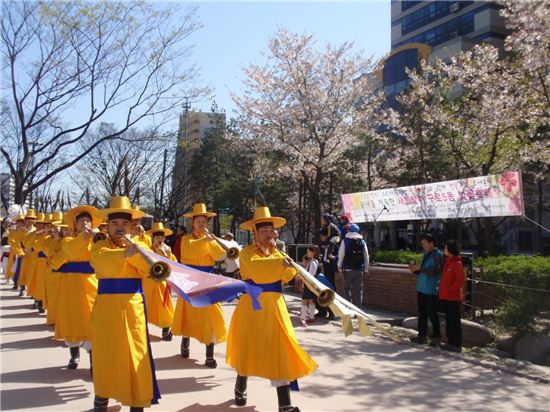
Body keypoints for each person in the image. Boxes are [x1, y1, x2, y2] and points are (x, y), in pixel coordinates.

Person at [226, 206, 318, 412]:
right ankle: (241, 384)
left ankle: (285, 406)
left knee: (280, 351)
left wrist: (292, 268)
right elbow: (259, 272)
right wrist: (280, 262)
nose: (271, 234)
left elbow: (285, 277)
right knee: (249, 349)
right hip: (254, 308)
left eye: (272, 230)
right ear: (255, 233)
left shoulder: (277, 253)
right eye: (265, 231)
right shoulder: (247, 253)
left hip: (276, 308)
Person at [90, 195, 160, 411]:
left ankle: (137, 400)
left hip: (133, 306)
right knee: (106, 352)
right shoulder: (99, 246)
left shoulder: (139, 245)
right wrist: (124, 253)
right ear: (107, 226)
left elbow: (151, 270)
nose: (120, 228)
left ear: (132, 226)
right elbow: (102, 265)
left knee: (136, 351)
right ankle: (103, 395)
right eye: (115, 224)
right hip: (106, 307)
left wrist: (134, 250)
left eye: (124, 224)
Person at [172, 203, 226, 368]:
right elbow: (190, 252)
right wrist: (206, 241)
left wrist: (212, 242)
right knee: (189, 314)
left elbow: (220, 256)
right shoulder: (185, 239)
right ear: (192, 223)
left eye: (204, 222)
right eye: (199, 221)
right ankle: (185, 341)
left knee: (210, 316)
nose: (202, 224)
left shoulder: (210, 239)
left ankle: (209, 355)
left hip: (207, 282)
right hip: (190, 280)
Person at [55, 205, 100, 370]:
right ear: (75, 224)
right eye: (82, 220)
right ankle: (74, 355)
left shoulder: (97, 239)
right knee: (73, 318)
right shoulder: (68, 240)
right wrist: (83, 238)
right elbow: (71, 252)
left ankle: (94, 361)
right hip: (72, 285)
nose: (86, 223)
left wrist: (96, 237)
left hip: (92, 284)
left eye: (88, 220)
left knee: (93, 321)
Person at [408, 233, 444, 345]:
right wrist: (415, 270)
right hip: (422, 288)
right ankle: (421, 335)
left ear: (431, 243)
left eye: (424, 244)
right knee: (422, 314)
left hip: (431, 289)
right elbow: (423, 270)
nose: (423, 246)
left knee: (432, 314)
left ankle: (437, 336)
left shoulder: (438, 255)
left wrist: (421, 268)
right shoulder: (426, 253)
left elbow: (435, 271)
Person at [144, 221, 176, 341]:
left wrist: (165, 253)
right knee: (146, 306)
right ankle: (143, 329)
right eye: (157, 236)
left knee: (165, 306)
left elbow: (173, 264)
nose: (159, 238)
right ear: (152, 238)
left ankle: (165, 331)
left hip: (162, 282)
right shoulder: (147, 248)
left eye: (161, 236)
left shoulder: (167, 250)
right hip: (148, 282)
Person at [439, 239, 465, 352]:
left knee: (454, 321)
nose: (444, 250)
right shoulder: (448, 262)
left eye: (445, 248)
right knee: (449, 320)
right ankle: (450, 341)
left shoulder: (457, 263)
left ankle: (456, 343)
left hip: (453, 297)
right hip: (446, 296)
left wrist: (450, 289)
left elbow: (460, 280)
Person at [337, 223, 369, 306]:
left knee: (346, 288)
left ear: (349, 230)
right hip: (359, 269)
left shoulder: (345, 241)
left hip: (348, 269)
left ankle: (349, 307)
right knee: (358, 290)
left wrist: (339, 265)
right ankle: (358, 311)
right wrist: (366, 267)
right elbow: (366, 255)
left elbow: (341, 254)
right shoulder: (362, 242)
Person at [299, 246, 320, 326]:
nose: (307, 253)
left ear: (313, 252)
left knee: (304, 301)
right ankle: (311, 318)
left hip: (309, 284)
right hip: (310, 285)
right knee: (311, 301)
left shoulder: (313, 263)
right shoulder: (313, 261)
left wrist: (304, 281)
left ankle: (303, 318)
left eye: (308, 252)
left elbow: (310, 275)